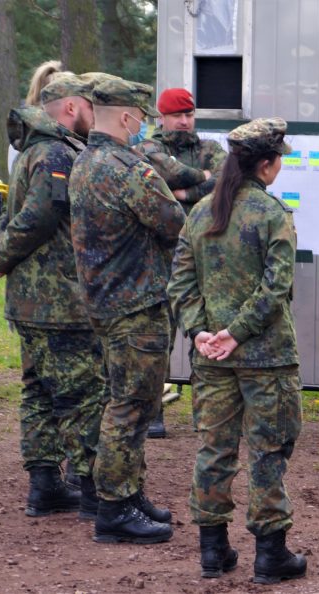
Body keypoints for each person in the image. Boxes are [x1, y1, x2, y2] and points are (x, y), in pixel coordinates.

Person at [167, 117, 306, 584]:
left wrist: (202, 333)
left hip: (212, 359)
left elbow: (181, 282)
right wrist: (237, 332)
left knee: (214, 449)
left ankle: (213, 551)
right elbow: (276, 289)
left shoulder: (202, 212)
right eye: (279, 159)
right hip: (266, 358)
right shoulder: (273, 215)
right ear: (267, 165)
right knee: (268, 452)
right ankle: (270, 556)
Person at [0, 74, 107, 520]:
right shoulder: (57, 152)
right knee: (81, 393)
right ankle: (95, 491)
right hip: (58, 302)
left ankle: (45, 484)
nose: (96, 116)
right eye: (91, 107)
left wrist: (1, 254)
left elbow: (12, 218)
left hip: (33, 302)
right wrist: (4, 256)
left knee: (38, 391)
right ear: (71, 108)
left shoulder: (32, 150)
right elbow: (38, 215)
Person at [69, 78, 186, 544]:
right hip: (135, 305)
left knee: (121, 400)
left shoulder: (84, 161)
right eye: (141, 118)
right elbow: (173, 223)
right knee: (132, 405)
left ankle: (127, 492)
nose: (144, 127)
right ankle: (115, 508)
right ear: (125, 117)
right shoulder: (127, 169)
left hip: (103, 301)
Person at [136, 87, 227, 440]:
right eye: (178, 115)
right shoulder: (147, 148)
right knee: (159, 336)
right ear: (162, 118)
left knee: (205, 334)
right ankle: (154, 411)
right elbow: (159, 178)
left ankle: (206, 412)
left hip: (205, 256)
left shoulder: (210, 149)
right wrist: (202, 179)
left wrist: (184, 193)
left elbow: (226, 181)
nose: (185, 121)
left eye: (189, 114)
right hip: (160, 257)